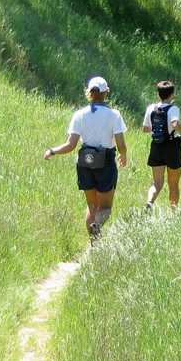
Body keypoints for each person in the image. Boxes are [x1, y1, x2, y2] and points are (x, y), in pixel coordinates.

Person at [43, 76, 127, 241]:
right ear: (106, 93)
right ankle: (97, 225)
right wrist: (123, 154)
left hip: (86, 159)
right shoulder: (114, 115)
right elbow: (121, 143)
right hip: (105, 160)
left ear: (89, 93)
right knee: (105, 208)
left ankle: (93, 244)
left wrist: (52, 151)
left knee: (92, 206)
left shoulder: (79, 114)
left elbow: (70, 145)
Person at [142, 80, 181, 210]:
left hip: (156, 146)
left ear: (158, 94)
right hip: (172, 147)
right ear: (172, 95)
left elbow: (145, 129)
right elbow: (175, 124)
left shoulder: (151, 108)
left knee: (157, 183)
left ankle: (149, 202)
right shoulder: (173, 108)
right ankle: (173, 210)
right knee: (173, 183)